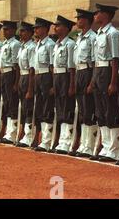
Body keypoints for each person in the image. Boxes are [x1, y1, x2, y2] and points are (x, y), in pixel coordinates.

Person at [89, 3, 119, 162]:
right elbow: (96, 60)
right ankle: (106, 146)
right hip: (99, 72)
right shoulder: (99, 34)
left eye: (98, 13)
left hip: (108, 72)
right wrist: (94, 79)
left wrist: (113, 82)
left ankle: (114, 150)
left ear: (106, 15)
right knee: (101, 111)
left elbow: (115, 59)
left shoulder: (113, 33)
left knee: (110, 109)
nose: (95, 16)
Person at [72, 9, 97, 157]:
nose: (78, 20)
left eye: (80, 18)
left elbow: (94, 61)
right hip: (79, 72)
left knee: (89, 108)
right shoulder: (79, 37)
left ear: (87, 20)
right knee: (81, 109)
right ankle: (84, 143)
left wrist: (92, 82)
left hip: (88, 72)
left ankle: (90, 145)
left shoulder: (92, 37)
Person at [52, 15, 77, 154]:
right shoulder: (57, 44)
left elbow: (72, 68)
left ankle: (67, 142)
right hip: (57, 76)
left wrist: (72, 85)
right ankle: (61, 140)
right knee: (60, 107)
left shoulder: (70, 44)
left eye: (59, 25)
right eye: (55, 25)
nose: (56, 28)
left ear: (67, 28)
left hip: (66, 76)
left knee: (67, 106)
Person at [32, 17, 56, 152]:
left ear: (45, 29)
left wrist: (52, 84)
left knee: (47, 107)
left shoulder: (50, 45)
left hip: (46, 76)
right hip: (38, 76)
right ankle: (38, 137)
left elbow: (52, 66)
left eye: (38, 27)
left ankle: (47, 140)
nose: (35, 30)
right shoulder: (38, 44)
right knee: (39, 107)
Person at [0, 21, 21, 144]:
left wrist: (16, 82)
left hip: (11, 74)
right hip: (4, 73)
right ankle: (8, 131)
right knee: (6, 103)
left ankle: (13, 133)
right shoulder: (5, 44)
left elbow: (16, 66)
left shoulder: (15, 44)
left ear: (13, 31)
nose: (5, 32)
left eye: (7, 29)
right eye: (4, 29)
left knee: (12, 103)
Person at [16, 22, 37, 147]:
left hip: (29, 78)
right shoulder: (22, 47)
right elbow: (19, 67)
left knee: (29, 108)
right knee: (23, 108)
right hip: (22, 78)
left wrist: (30, 89)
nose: (21, 33)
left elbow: (32, 70)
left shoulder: (31, 47)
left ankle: (29, 135)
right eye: (21, 31)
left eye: (24, 31)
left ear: (30, 33)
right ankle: (24, 133)